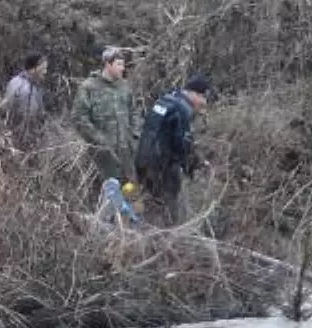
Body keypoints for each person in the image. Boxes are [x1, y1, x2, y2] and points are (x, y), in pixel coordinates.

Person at [134, 73, 213, 226]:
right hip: (161, 166)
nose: (204, 103)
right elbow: (182, 146)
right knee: (168, 208)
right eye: (203, 98)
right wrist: (195, 165)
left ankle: (139, 230)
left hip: (143, 160)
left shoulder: (167, 99)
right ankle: (165, 237)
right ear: (194, 94)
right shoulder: (183, 110)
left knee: (146, 200)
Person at [73, 46, 138, 186]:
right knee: (108, 195)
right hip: (102, 156)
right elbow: (79, 118)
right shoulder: (88, 87)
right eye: (119, 64)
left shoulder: (124, 87)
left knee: (130, 193)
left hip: (126, 154)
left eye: (123, 64)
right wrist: (100, 139)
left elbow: (134, 112)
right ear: (108, 64)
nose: (123, 68)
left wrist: (134, 136)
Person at [0, 51, 48, 149]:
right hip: (18, 141)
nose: (45, 72)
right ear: (34, 68)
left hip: (28, 141)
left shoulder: (35, 86)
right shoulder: (20, 86)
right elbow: (6, 110)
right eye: (43, 68)